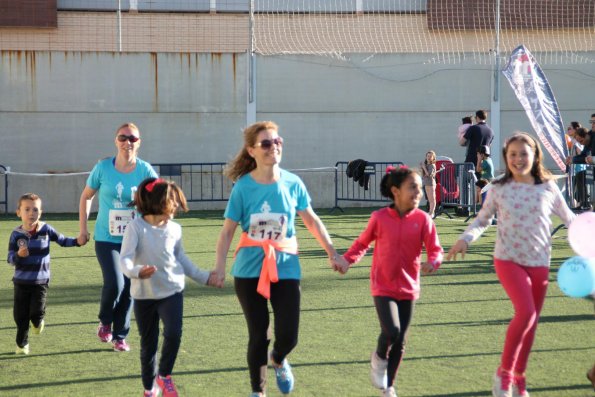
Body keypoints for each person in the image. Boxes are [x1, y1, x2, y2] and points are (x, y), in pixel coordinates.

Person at [213, 121, 347, 397]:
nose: (273, 147)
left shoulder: (292, 182)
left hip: (285, 267)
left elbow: (311, 220)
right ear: (251, 150)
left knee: (289, 335)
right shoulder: (243, 188)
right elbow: (227, 232)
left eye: (277, 141)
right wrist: (219, 268)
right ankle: (257, 391)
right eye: (266, 143)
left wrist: (333, 252)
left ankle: (279, 358)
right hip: (249, 271)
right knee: (258, 334)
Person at [447, 132, 575, 397]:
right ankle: (503, 376)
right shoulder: (498, 187)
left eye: (523, 153)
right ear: (506, 157)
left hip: (539, 262)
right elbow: (482, 220)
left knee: (531, 322)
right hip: (508, 260)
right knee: (526, 313)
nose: (518, 159)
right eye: (513, 154)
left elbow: (570, 219)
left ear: (535, 155)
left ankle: (519, 379)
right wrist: (465, 239)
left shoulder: (548, 187)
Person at [339, 166, 442, 397]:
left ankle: (388, 388)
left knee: (401, 341)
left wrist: (433, 262)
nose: (419, 193)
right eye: (412, 188)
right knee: (392, 331)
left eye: (419, 189)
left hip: (409, 287)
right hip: (382, 286)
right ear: (395, 191)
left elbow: (436, 249)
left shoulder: (424, 220)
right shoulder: (379, 218)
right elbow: (362, 244)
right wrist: (347, 260)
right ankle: (378, 357)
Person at [120, 178, 218, 397]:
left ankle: (164, 376)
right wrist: (136, 271)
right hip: (144, 296)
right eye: (172, 200)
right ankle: (149, 387)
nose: (175, 205)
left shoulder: (175, 229)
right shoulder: (136, 227)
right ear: (157, 202)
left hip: (172, 291)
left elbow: (181, 258)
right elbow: (125, 260)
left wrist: (205, 277)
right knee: (148, 346)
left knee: (173, 333)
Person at [78, 122, 158, 352]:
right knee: (115, 282)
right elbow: (86, 197)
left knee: (130, 287)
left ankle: (120, 336)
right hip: (107, 238)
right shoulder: (103, 168)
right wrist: (83, 229)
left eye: (132, 138)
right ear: (116, 141)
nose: (127, 142)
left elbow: (159, 199)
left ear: (139, 142)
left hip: (136, 239)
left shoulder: (145, 170)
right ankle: (105, 321)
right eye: (123, 138)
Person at [7, 193, 86, 355]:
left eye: (35, 209)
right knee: (20, 316)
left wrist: (77, 241)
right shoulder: (16, 234)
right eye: (27, 209)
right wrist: (18, 256)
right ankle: (22, 345)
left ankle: (37, 322)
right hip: (20, 282)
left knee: (36, 312)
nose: (31, 213)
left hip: (40, 282)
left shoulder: (46, 229)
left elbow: (63, 240)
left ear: (40, 213)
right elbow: (10, 259)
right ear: (18, 213)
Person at [564, 122, 587, 209]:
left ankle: (584, 204)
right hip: (575, 169)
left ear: (576, 129)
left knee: (577, 190)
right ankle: (581, 204)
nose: (568, 130)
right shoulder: (573, 141)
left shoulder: (577, 142)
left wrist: (573, 159)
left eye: (570, 128)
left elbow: (581, 153)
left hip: (578, 169)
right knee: (575, 191)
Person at [420, 150, 437, 218]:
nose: (429, 157)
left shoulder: (432, 165)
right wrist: (422, 167)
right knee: (430, 200)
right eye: (428, 156)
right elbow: (423, 175)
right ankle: (430, 212)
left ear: (433, 157)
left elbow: (429, 175)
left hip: (431, 184)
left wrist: (424, 167)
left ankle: (432, 212)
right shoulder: (427, 165)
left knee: (432, 199)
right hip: (426, 184)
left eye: (430, 156)